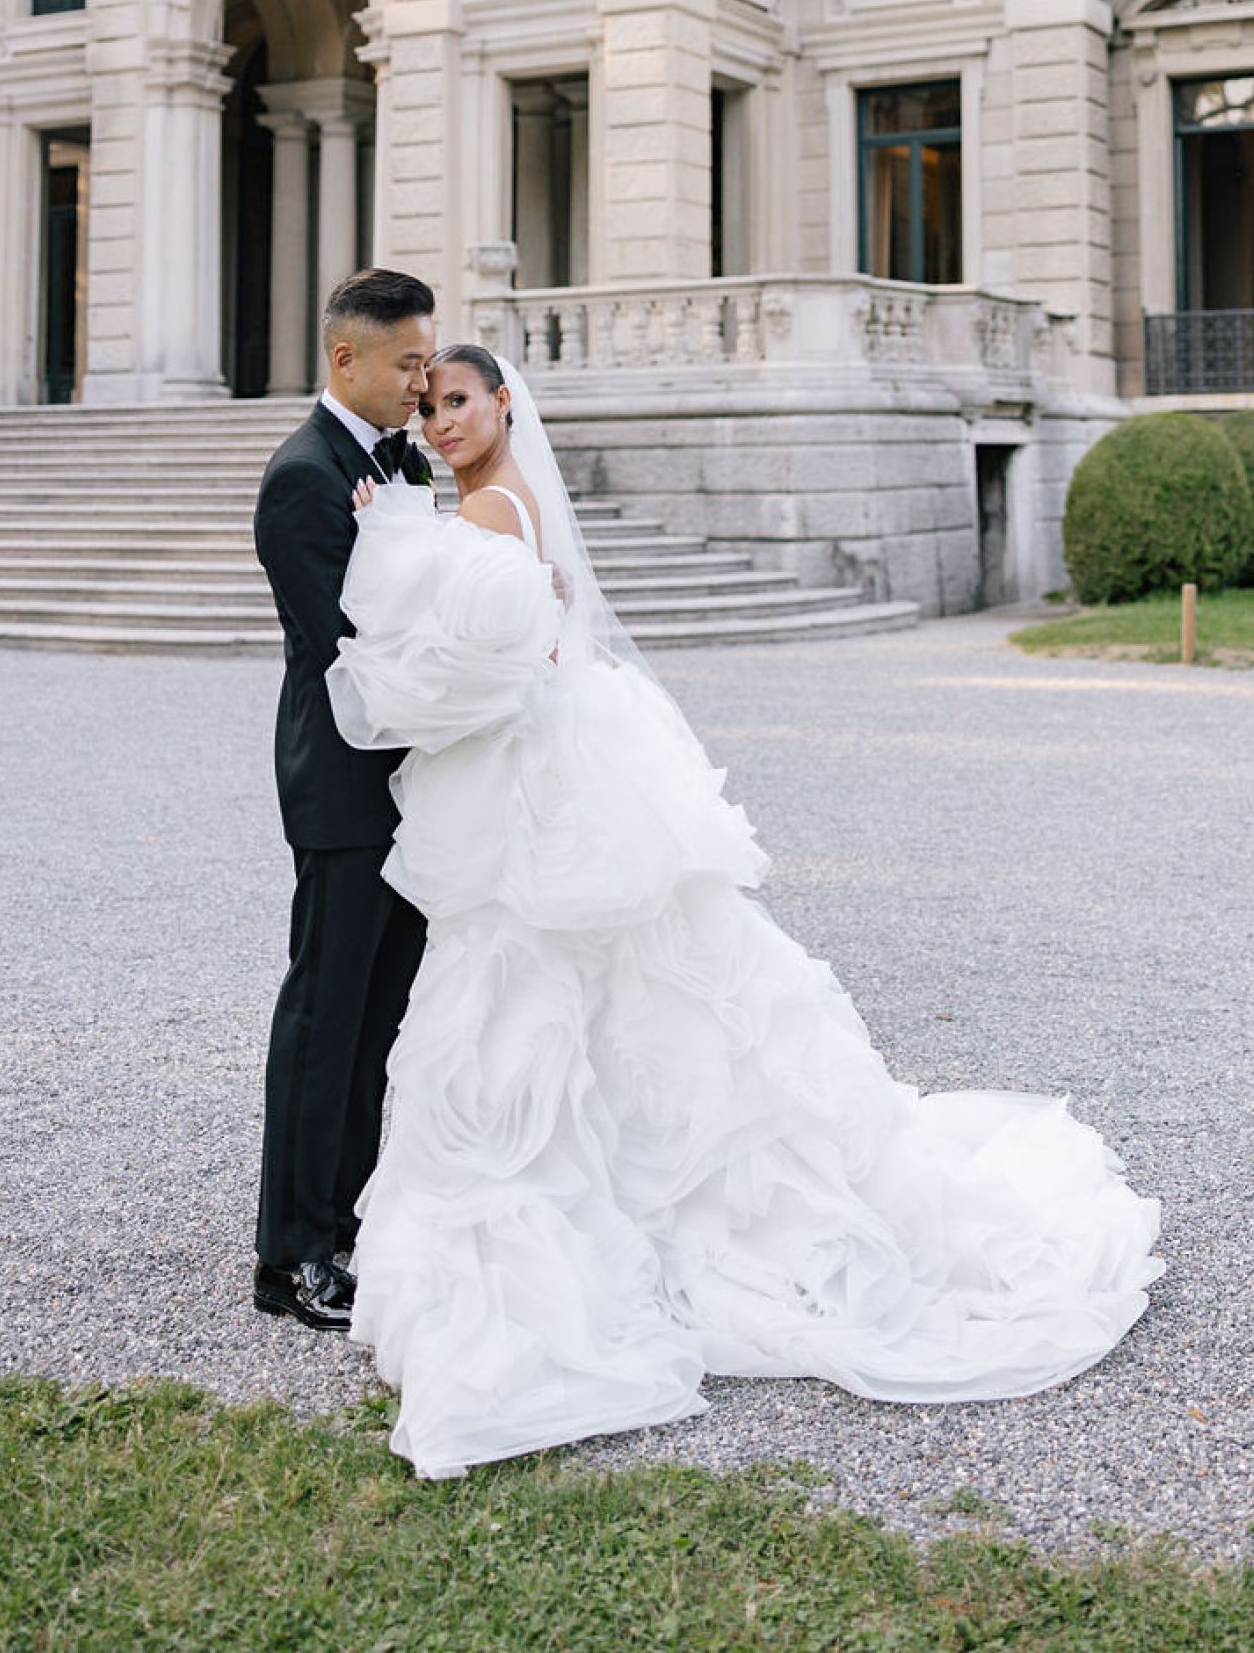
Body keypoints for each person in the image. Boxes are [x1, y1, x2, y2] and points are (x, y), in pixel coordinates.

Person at [331, 341, 1163, 1476]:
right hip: (557, 779)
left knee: (533, 995)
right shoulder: (501, 510)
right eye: (428, 408)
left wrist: (387, 542)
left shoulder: (484, 518)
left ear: (505, 401)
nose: (439, 422)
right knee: (619, 990)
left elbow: (444, 684)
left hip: (528, 798)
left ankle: (595, 1212)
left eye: (459, 402)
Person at [251, 267, 438, 1328]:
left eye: (426, 361)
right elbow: (342, 649)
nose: (421, 381)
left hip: (410, 783)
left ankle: (346, 1216)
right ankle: (290, 1257)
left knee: (381, 1014)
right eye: (408, 362)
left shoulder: (398, 459)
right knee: (324, 1016)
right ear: (345, 358)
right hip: (342, 783)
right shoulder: (303, 477)